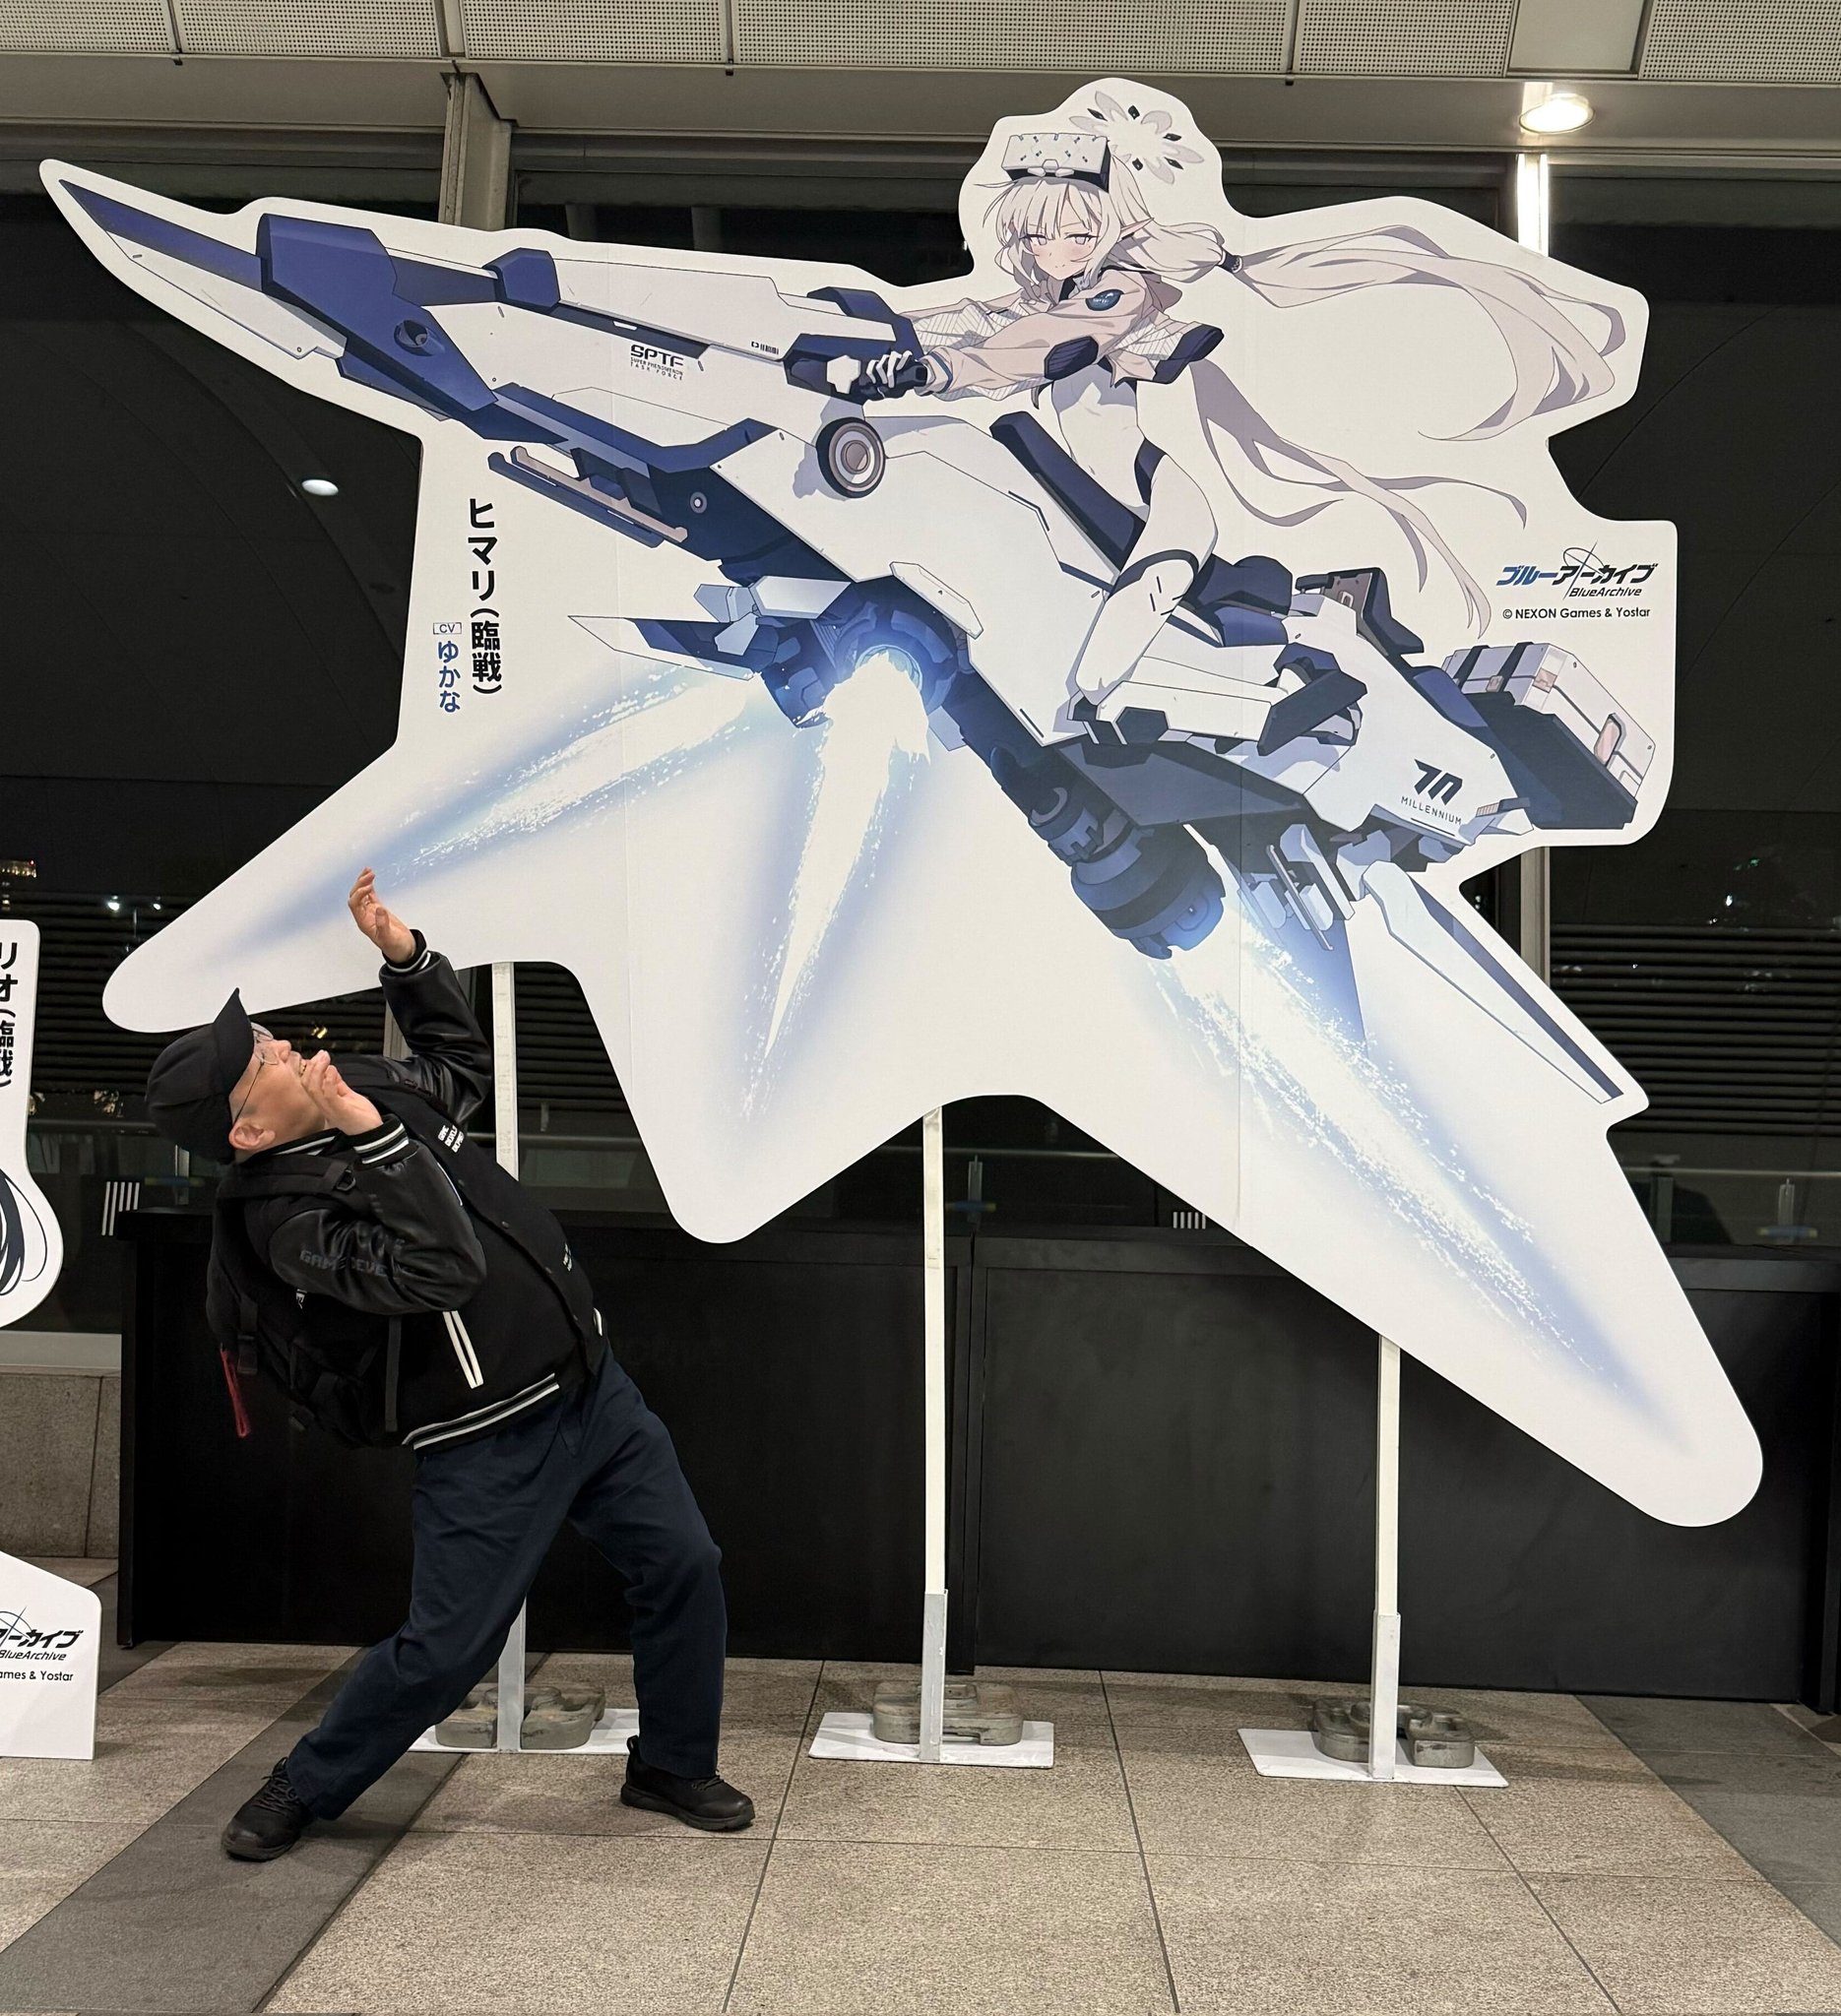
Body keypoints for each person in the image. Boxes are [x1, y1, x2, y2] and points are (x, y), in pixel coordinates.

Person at [143, 869, 750, 1858]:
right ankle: (304, 1781)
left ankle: (672, 1762)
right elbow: (439, 1268)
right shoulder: (284, 1221)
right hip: (487, 1435)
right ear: (246, 1130)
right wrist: (374, 1136)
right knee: (445, 1650)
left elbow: (457, 1068)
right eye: (258, 1059)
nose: (279, 1043)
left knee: (684, 1561)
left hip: (591, 1387)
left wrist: (407, 960)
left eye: (261, 1035)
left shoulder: (356, 1085)